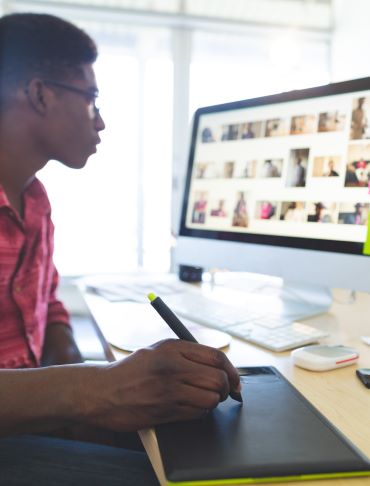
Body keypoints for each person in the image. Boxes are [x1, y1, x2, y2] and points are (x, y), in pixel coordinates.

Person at [0, 12, 242, 485]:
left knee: (205, 449)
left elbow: (48, 308)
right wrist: (98, 389)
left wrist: (90, 394)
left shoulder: (35, 200)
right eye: (91, 99)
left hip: (26, 419)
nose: (102, 120)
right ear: (39, 94)